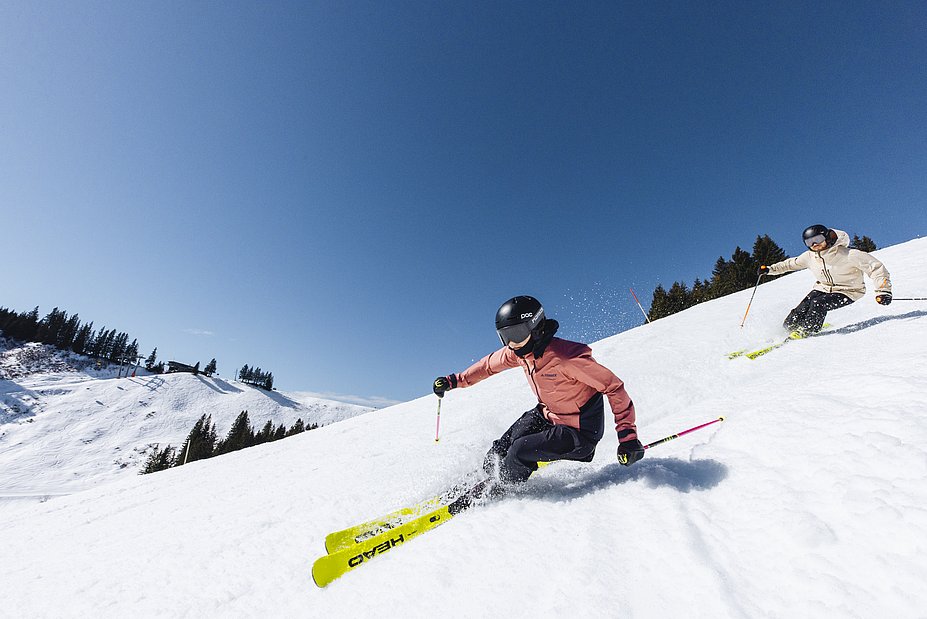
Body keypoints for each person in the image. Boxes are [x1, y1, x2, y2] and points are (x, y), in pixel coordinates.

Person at [432, 295, 643, 494]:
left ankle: (499, 488)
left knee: (519, 451)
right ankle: (485, 478)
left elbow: (613, 387)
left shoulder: (566, 358)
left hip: (579, 432)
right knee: (499, 449)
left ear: (535, 327)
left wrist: (628, 437)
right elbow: (488, 366)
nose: (511, 345)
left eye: (516, 335)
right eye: (506, 337)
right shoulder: (520, 353)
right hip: (547, 414)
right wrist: (454, 381)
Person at [757, 225, 892, 336]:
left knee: (818, 304)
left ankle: (808, 330)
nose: (814, 244)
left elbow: (877, 269)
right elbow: (790, 264)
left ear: (828, 237)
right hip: (823, 288)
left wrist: (883, 291)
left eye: (818, 239)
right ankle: (786, 331)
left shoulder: (849, 254)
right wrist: (769, 269)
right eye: (809, 242)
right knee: (800, 309)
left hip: (849, 291)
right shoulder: (810, 256)